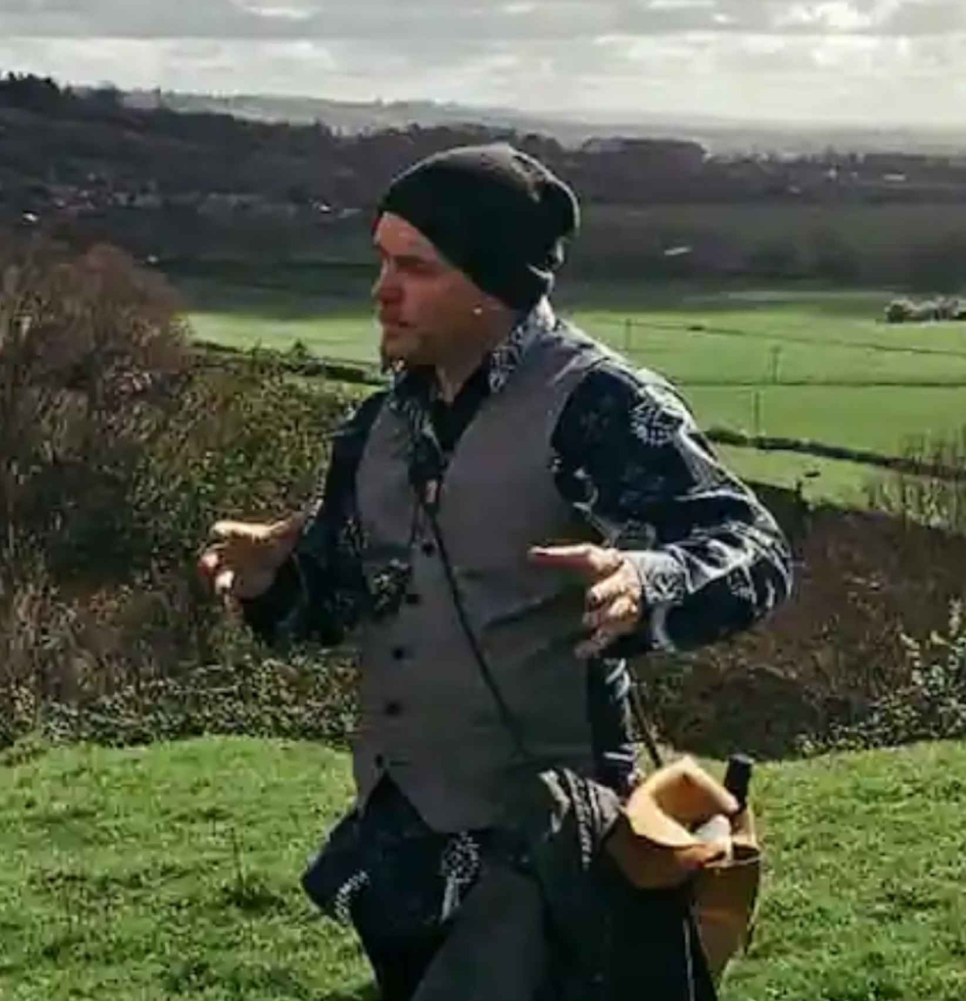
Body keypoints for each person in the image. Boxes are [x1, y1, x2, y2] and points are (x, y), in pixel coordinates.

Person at [197, 144, 794, 1000]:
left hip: (550, 850)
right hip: (401, 852)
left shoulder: (596, 404)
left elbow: (752, 545)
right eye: (381, 261)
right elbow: (333, 604)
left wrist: (649, 579)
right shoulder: (379, 425)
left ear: (493, 283)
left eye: (416, 267)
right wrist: (268, 582)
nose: (382, 290)